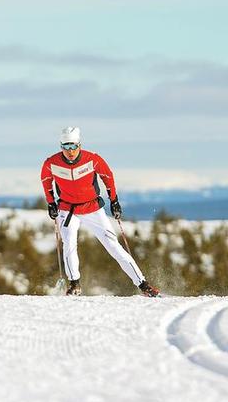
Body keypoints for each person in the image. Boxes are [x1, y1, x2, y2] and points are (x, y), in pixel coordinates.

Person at [40, 127, 160, 297]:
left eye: (73, 146)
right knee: (69, 245)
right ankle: (74, 284)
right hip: (68, 210)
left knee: (113, 245)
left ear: (79, 145)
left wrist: (114, 200)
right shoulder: (51, 163)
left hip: (92, 208)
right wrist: (51, 203)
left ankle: (143, 284)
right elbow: (46, 181)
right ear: (61, 147)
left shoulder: (92, 159)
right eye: (65, 147)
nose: (70, 151)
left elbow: (108, 177)